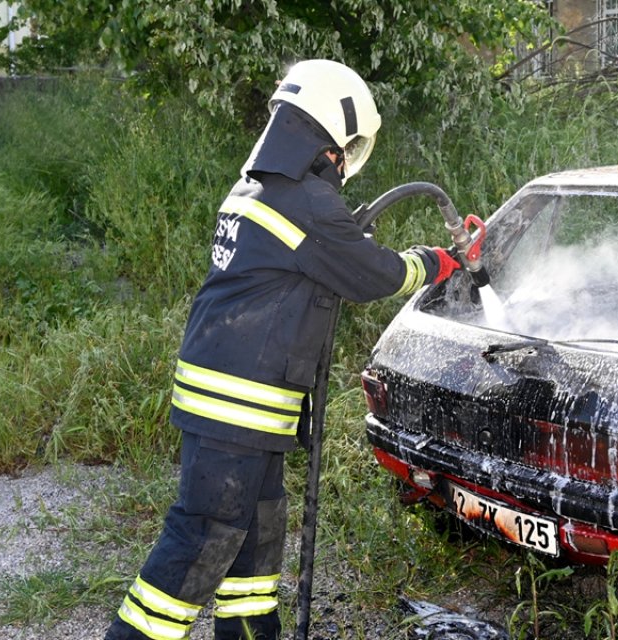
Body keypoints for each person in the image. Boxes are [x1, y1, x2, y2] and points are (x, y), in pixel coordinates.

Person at [105, 59, 459, 640]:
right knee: (204, 536)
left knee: (255, 535)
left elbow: (312, 261)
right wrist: (437, 262)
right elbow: (377, 276)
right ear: (328, 140)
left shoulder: (259, 189)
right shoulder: (308, 204)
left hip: (232, 399)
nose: (346, 163)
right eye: (346, 149)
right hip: (236, 405)